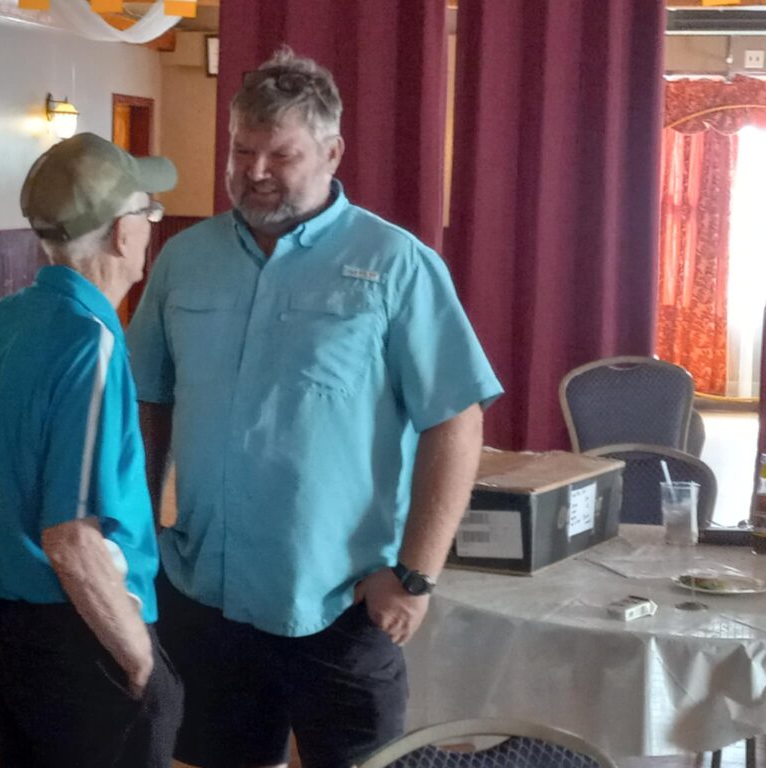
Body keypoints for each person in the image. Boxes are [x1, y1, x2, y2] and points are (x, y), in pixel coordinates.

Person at [126, 47, 503, 768]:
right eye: (241, 151)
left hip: (343, 599)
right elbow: (149, 399)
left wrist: (416, 575)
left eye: (281, 154)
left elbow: (456, 421)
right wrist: (142, 533)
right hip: (204, 591)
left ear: (332, 153)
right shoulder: (184, 259)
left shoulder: (396, 264)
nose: (255, 171)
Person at [0, 132, 183, 768]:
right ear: (123, 233)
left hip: (9, 625)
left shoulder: (8, 319)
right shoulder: (91, 344)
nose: (150, 229)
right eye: (149, 212)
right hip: (80, 630)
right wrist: (141, 662)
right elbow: (71, 540)